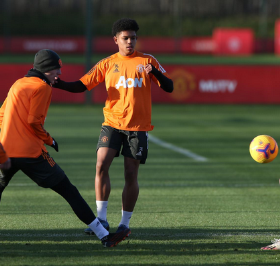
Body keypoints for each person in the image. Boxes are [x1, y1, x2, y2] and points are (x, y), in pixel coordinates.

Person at [54, 18, 174, 236]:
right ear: (116, 40)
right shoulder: (107, 63)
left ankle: (125, 223)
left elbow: (170, 87)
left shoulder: (148, 61)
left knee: (130, 174)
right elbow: (82, 85)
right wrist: (58, 83)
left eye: (133, 38)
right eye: (125, 38)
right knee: (101, 165)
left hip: (137, 128)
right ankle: (101, 219)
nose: (130, 42)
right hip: (112, 124)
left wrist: (154, 73)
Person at [0, 49, 130, 247]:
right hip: (31, 154)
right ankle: (104, 236)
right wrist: (50, 140)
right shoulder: (42, 87)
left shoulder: (18, 83)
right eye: (56, 70)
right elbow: (34, 122)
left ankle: (104, 235)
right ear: (45, 69)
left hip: (5, 152)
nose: (59, 74)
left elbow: (1, 115)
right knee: (69, 191)